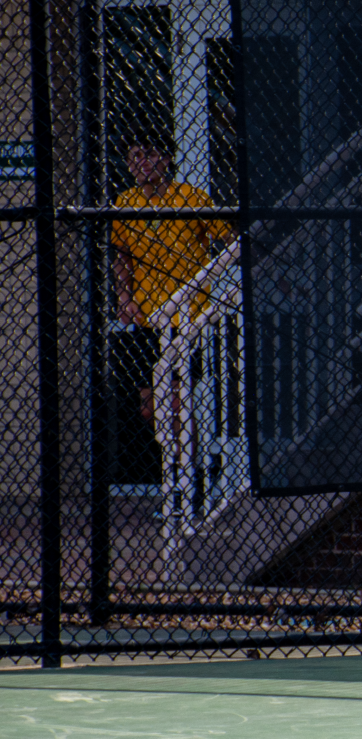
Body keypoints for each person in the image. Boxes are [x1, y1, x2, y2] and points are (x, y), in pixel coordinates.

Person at [107, 143, 233, 484]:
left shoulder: (191, 197)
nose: (143, 163)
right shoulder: (125, 203)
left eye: (150, 154)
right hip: (148, 315)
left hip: (187, 317)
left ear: (165, 159)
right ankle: (178, 467)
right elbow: (122, 256)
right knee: (150, 408)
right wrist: (124, 297)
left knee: (177, 401)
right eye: (134, 156)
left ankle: (187, 476)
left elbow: (228, 238)